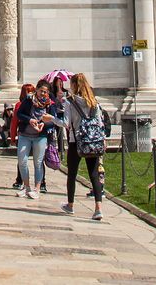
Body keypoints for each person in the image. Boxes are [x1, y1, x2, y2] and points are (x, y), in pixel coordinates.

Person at [58, 73, 110, 220]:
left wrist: (52, 119)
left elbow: (66, 123)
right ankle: (98, 208)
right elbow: (100, 124)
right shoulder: (94, 102)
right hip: (93, 141)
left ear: (75, 85)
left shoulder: (70, 102)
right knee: (94, 174)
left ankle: (70, 205)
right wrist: (103, 140)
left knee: (72, 174)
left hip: (76, 142)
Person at [11, 82, 52, 200]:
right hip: (25, 134)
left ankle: (37, 188)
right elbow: (19, 114)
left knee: (38, 162)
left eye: (45, 92)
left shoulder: (49, 104)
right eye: (41, 91)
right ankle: (27, 187)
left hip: (40, 136)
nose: (43, 94)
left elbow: (53, 120)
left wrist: (44, 124)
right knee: (22, 160)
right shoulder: (29, 100)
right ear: (37, 90)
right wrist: (30, 120)